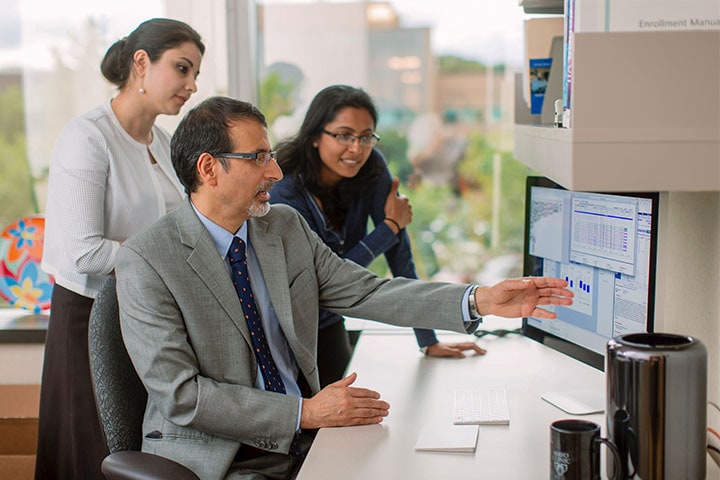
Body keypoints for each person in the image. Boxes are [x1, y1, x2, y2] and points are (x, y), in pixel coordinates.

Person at [114, 95, 573, 480]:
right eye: (259, 158)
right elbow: (182, 396)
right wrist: (306, 413)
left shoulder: (283, 227)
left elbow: (367, 292)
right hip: (220, 460)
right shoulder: (147, 260)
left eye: (271, 155)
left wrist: (480, 299)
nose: (275, 172)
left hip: (306, 439)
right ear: (210, 169)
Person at [36, 18, 205, 480]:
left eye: (195, 76)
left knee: (141, 451)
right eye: (182, 69)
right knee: (94, 455)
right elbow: (83, 253)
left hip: (147, 318)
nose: (191, 85)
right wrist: (159, 262)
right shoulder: (87, 137)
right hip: (89, 319)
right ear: (141, 63)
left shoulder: (167, 145)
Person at [271, 85, 485, 387]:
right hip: (286, 330)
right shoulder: (284, 189)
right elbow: (323, 283)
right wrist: (388, 229)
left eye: (366, 137)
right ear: (316, 136)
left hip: (329, 322)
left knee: (345, 422)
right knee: (307, 424)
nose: (356, 148)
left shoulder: (371, 168)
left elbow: (400, 257)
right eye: (344, 135)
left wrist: (427, 340)